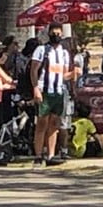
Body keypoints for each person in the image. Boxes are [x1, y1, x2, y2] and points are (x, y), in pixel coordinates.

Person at [31, 23, 72, 166]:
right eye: (54, 33)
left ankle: (51, 154)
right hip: (44, 90)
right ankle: (38, 154)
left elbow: (64, 74)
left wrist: (74, 74)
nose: (57, 36)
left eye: (59, 34)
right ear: (49, 34)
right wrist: (36, 88)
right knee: (42, 123)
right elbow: (34, 70)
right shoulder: (42, 50)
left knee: (54, 124)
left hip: (58, 91)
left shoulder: (64, 53)